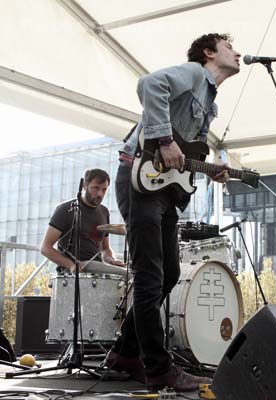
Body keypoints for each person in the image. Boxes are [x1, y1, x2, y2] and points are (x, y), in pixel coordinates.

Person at [107, 33, 240, 392]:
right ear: (210, 53)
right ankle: (159, 370)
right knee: (151, 275)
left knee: (169, 273)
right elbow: (150, 84)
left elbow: (183, 157)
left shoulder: (210, 101)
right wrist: (164, 139)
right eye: (229, 47)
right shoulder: (195, 74)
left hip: (164, 188)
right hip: (141, 178)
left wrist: (211, 169)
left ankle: (126, 352)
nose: (238, 52)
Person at [41, 168, 124, 272]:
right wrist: (70, 264)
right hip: (76, 268)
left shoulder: (104, 211)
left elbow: (105, 249)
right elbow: (45, 248)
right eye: (96, 188)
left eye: (104, 190)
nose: (100, 194)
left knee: (128, 275)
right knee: (128, 275)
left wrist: (112, 260)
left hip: (97, 267)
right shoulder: (66, 209)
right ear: (84, 186)